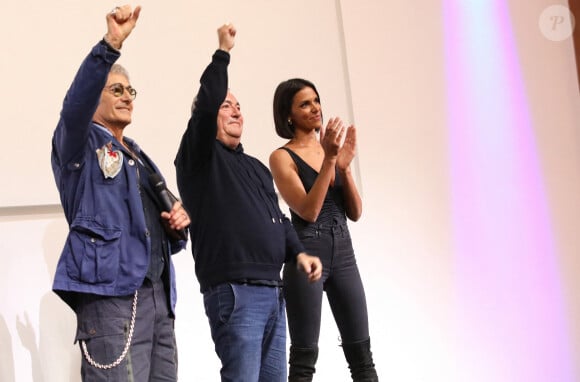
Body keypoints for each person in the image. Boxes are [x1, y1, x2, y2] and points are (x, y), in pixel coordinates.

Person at [174, 24, 322, 382]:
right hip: (235, 293)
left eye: (239, 106)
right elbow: (207, 102)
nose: (236, 111)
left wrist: (299, 252)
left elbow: (279, 219)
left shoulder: (255, 166)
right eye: (227, 106)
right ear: (209, 117)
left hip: (273, 290)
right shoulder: (199, 157)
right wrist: (223, 52)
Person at [50, 5, 190, 381]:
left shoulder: (139, 154)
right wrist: (111, 44)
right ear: (96, 97)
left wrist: (178, 220)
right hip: (113, 297)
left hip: (159, 298)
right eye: (116, 89)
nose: (127, 96)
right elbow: (74, 106)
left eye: (130, 90)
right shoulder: (78, 144)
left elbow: (161, 216)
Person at [270, 78, 379, 381]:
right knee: (305, 360)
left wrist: (342, 167)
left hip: (344, 253)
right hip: (307, 255)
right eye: (305, 103)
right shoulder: (281, 157)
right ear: (288, 115)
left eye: (316, 100)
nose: (315, 107)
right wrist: (330, 159)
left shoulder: (329, 151)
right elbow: (308, 210)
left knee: (362, 355)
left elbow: (355, 212)